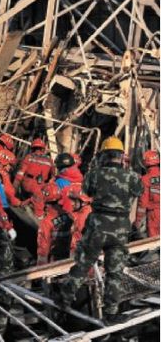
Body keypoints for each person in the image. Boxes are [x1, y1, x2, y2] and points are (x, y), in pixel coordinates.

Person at [60, 137, 143, 322]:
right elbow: (139, 191)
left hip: (98, 226)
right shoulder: (132, 177)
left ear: (104, 156)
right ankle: (111, 312)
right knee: (115, 272)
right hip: (120, 229)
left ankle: (64, 298)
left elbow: (87, 191)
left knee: (82, 265)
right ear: (122, 156)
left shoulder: (94, 174)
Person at [14, 138, 55, 218]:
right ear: (43, 149)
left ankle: (23, 206)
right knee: (39, 207)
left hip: (26, 184)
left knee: (21, 198)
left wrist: (14, 189)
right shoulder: (49, 161)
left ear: (32, 148)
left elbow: (20, 174)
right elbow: (53, 177)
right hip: (39, 187)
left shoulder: (28, 157)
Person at [36, 182, 72, 265]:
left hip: (56, 261)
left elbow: (43, 249)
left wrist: (40, 270)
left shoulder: (46, 222)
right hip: (70, 257)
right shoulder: (69, 214)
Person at [135, 150, 159, 238]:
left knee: (154, 243)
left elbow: (142, 203)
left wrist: (138, 221)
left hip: (154, 215)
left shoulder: (145, 179)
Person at [65, 184, 92, 255]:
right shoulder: (88, 211)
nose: (71, 203)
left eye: (74, 200)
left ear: (83, 202)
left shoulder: (82, 218)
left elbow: (77, 241)